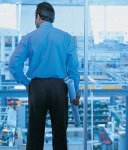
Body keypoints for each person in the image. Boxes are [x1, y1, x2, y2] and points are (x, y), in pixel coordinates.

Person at [9, 2, 80, 150]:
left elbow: (14, 65)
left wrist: (26, 82)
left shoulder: (29, 38)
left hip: (37, 88)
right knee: (60, 133)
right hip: (59, 88)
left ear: (38, 17)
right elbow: (73, 67)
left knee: (35, 134)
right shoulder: (66, 37)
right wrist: (76, 91)